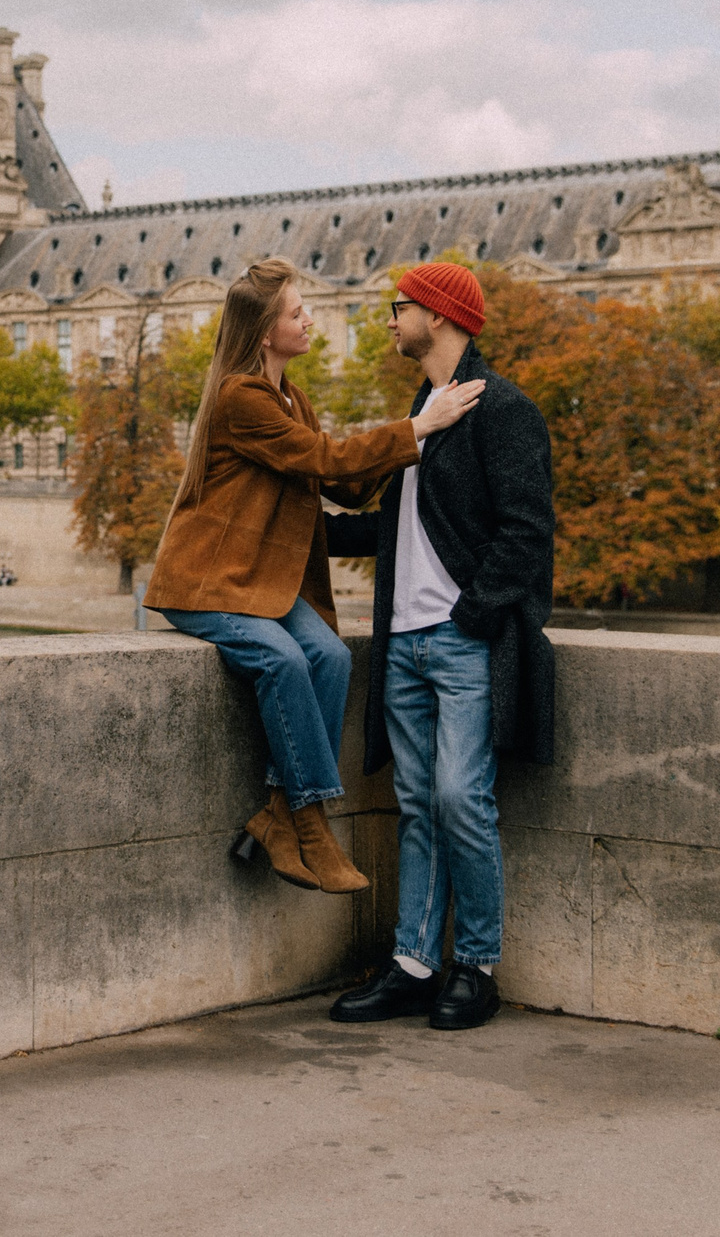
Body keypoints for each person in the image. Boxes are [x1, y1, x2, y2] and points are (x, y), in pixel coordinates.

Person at [147, 258, 481, 894]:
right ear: (267, 333)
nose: (309, 320)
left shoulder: (291, 396)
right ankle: (309, 819)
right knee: (283, 662)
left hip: (257, 582)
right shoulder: (239, 397)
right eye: (298, 313)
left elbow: (343, 484)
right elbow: (323, 457)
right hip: (209, 583)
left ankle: (277, 817)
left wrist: (415, 444)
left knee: (329, 656)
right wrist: (416, 426)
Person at [324, 261, 555, 1032]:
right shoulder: (425, 410)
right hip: (405, 646)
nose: (390, 320)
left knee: (461, 799)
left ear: (442, 316)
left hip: (459, 643)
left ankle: (476, 965)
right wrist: (294, 524)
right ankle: (415, 963)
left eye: (401, 307)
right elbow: (394, 530)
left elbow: (527, 533)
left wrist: (470, 617)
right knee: (420, 805)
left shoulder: (504, 410)